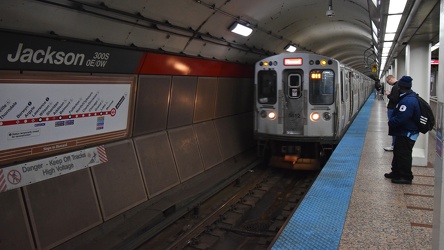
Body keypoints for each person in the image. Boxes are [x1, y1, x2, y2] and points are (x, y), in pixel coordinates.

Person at [384, 76, 420, 184]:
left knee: (404, 154)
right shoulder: (407, 97)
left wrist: (391, 122)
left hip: (407, 132)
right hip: (403, 132)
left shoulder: (408, 100)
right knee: (398, 152)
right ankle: (396, 172)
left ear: (401, 87)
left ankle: (406, 177)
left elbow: (402, 118)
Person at [383, 75, 399, 151]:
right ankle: (394, 144)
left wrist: (388, 94)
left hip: (392, 109)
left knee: (393, 127)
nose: (388, 83)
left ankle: (394, 145)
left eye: (388, 81)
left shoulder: (396, 87)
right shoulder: (398, 86)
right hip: (394, 109)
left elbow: (394, 99)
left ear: (390, 79)